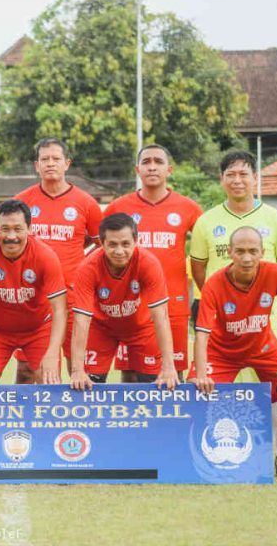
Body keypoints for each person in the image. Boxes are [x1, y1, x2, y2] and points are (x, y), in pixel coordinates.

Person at [190, 149, 277, 450]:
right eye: (231, 174)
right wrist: (221, 299)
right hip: (218, 325)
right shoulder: (206, 221)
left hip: (263, 322)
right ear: (221, 179)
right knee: (210, 386)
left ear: (255, 178)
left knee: (275, 388)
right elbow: (198, 268)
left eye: (243, 174)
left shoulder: (276, 219)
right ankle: (216, 447)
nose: (237, 180)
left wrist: (257, 299)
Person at [191, 226, 277, 478]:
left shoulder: (276, 274)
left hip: (263, 348)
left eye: (253, 251)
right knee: (195, 391)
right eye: (241, 251)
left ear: (262, 252)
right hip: (221, 352)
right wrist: (201, 372)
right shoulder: (214, 284)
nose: (247, 257)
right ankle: (195, 456)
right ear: (230, 253)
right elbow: (201, 332)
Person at [105, 144, 202, 381]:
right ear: (137, 169)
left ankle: (172, 420)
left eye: (158, 162)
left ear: (169, 169)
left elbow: (205, 245)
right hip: (130, 305)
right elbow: (103, 248)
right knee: (130, 374)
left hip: (173, 303)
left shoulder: (187, 207)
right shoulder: (119, 207)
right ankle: (131, 420)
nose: (152, 167)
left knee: (173, 373)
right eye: (146, 162)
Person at [15, 137, 102, 379]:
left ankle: (71, 416)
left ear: (67, 164)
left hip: (72, 295)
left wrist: (83, 266)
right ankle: (25, 416)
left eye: (56, 159)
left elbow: (102, 245)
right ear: (36, 165)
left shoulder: (86, 203)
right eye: (45, 159)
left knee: (77, 365)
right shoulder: (22, 201)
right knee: (29, 368)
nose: (50, 163)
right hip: (33, 297)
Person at [69, 213, 178, 391]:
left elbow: (161, 317)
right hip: (101, 328)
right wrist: (77, 370)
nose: (119, 251)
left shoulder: (149, 263)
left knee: (156, 382)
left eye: (125, 244)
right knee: (86, 384)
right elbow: (81, 320)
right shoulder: (87, 268)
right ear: (102, 243)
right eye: (112, 244)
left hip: (141, 327)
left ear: (136, 241)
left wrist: (169, 365)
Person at [0, 199, 67, 386]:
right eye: (5, 229)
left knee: (49, 380)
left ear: (29, 229)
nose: (11, 236)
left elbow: (60, 310)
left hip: (38, 328)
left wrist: (53, 354)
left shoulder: (46, 256)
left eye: (18, 229)